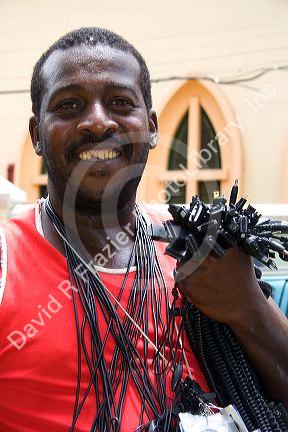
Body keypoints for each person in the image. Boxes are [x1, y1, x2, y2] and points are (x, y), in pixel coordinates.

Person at [0, 27, 287, 432]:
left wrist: (248, 308)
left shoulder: (202, 250)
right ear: (36, 135)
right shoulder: (6, 260)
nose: (97, 122)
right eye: (69, 105)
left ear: (151, 127)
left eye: (119, 102)